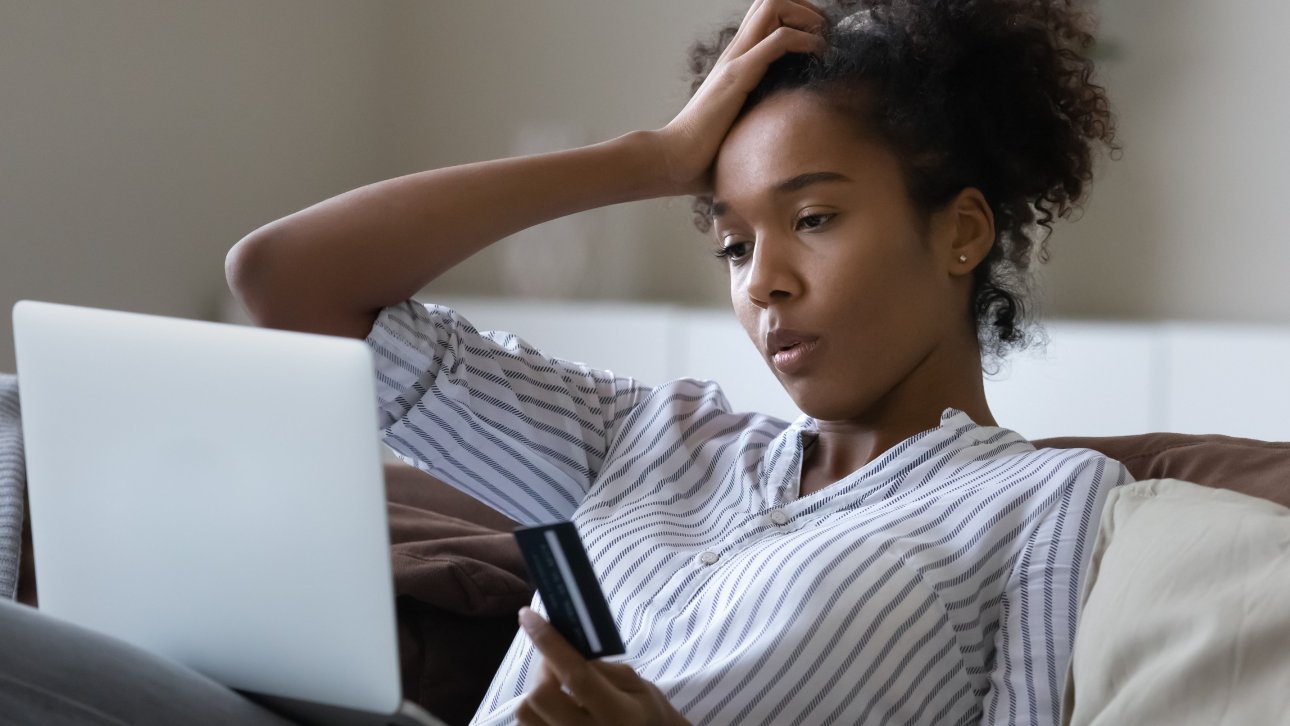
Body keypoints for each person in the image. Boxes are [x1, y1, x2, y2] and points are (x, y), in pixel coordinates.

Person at [226, 0, 1131, 724]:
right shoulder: (649, 438)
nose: (763, 283)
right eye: (734, 246)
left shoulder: (1041, 500)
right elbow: (287, 281)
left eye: (813, 220)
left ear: (963, 231)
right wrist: (654, 158)